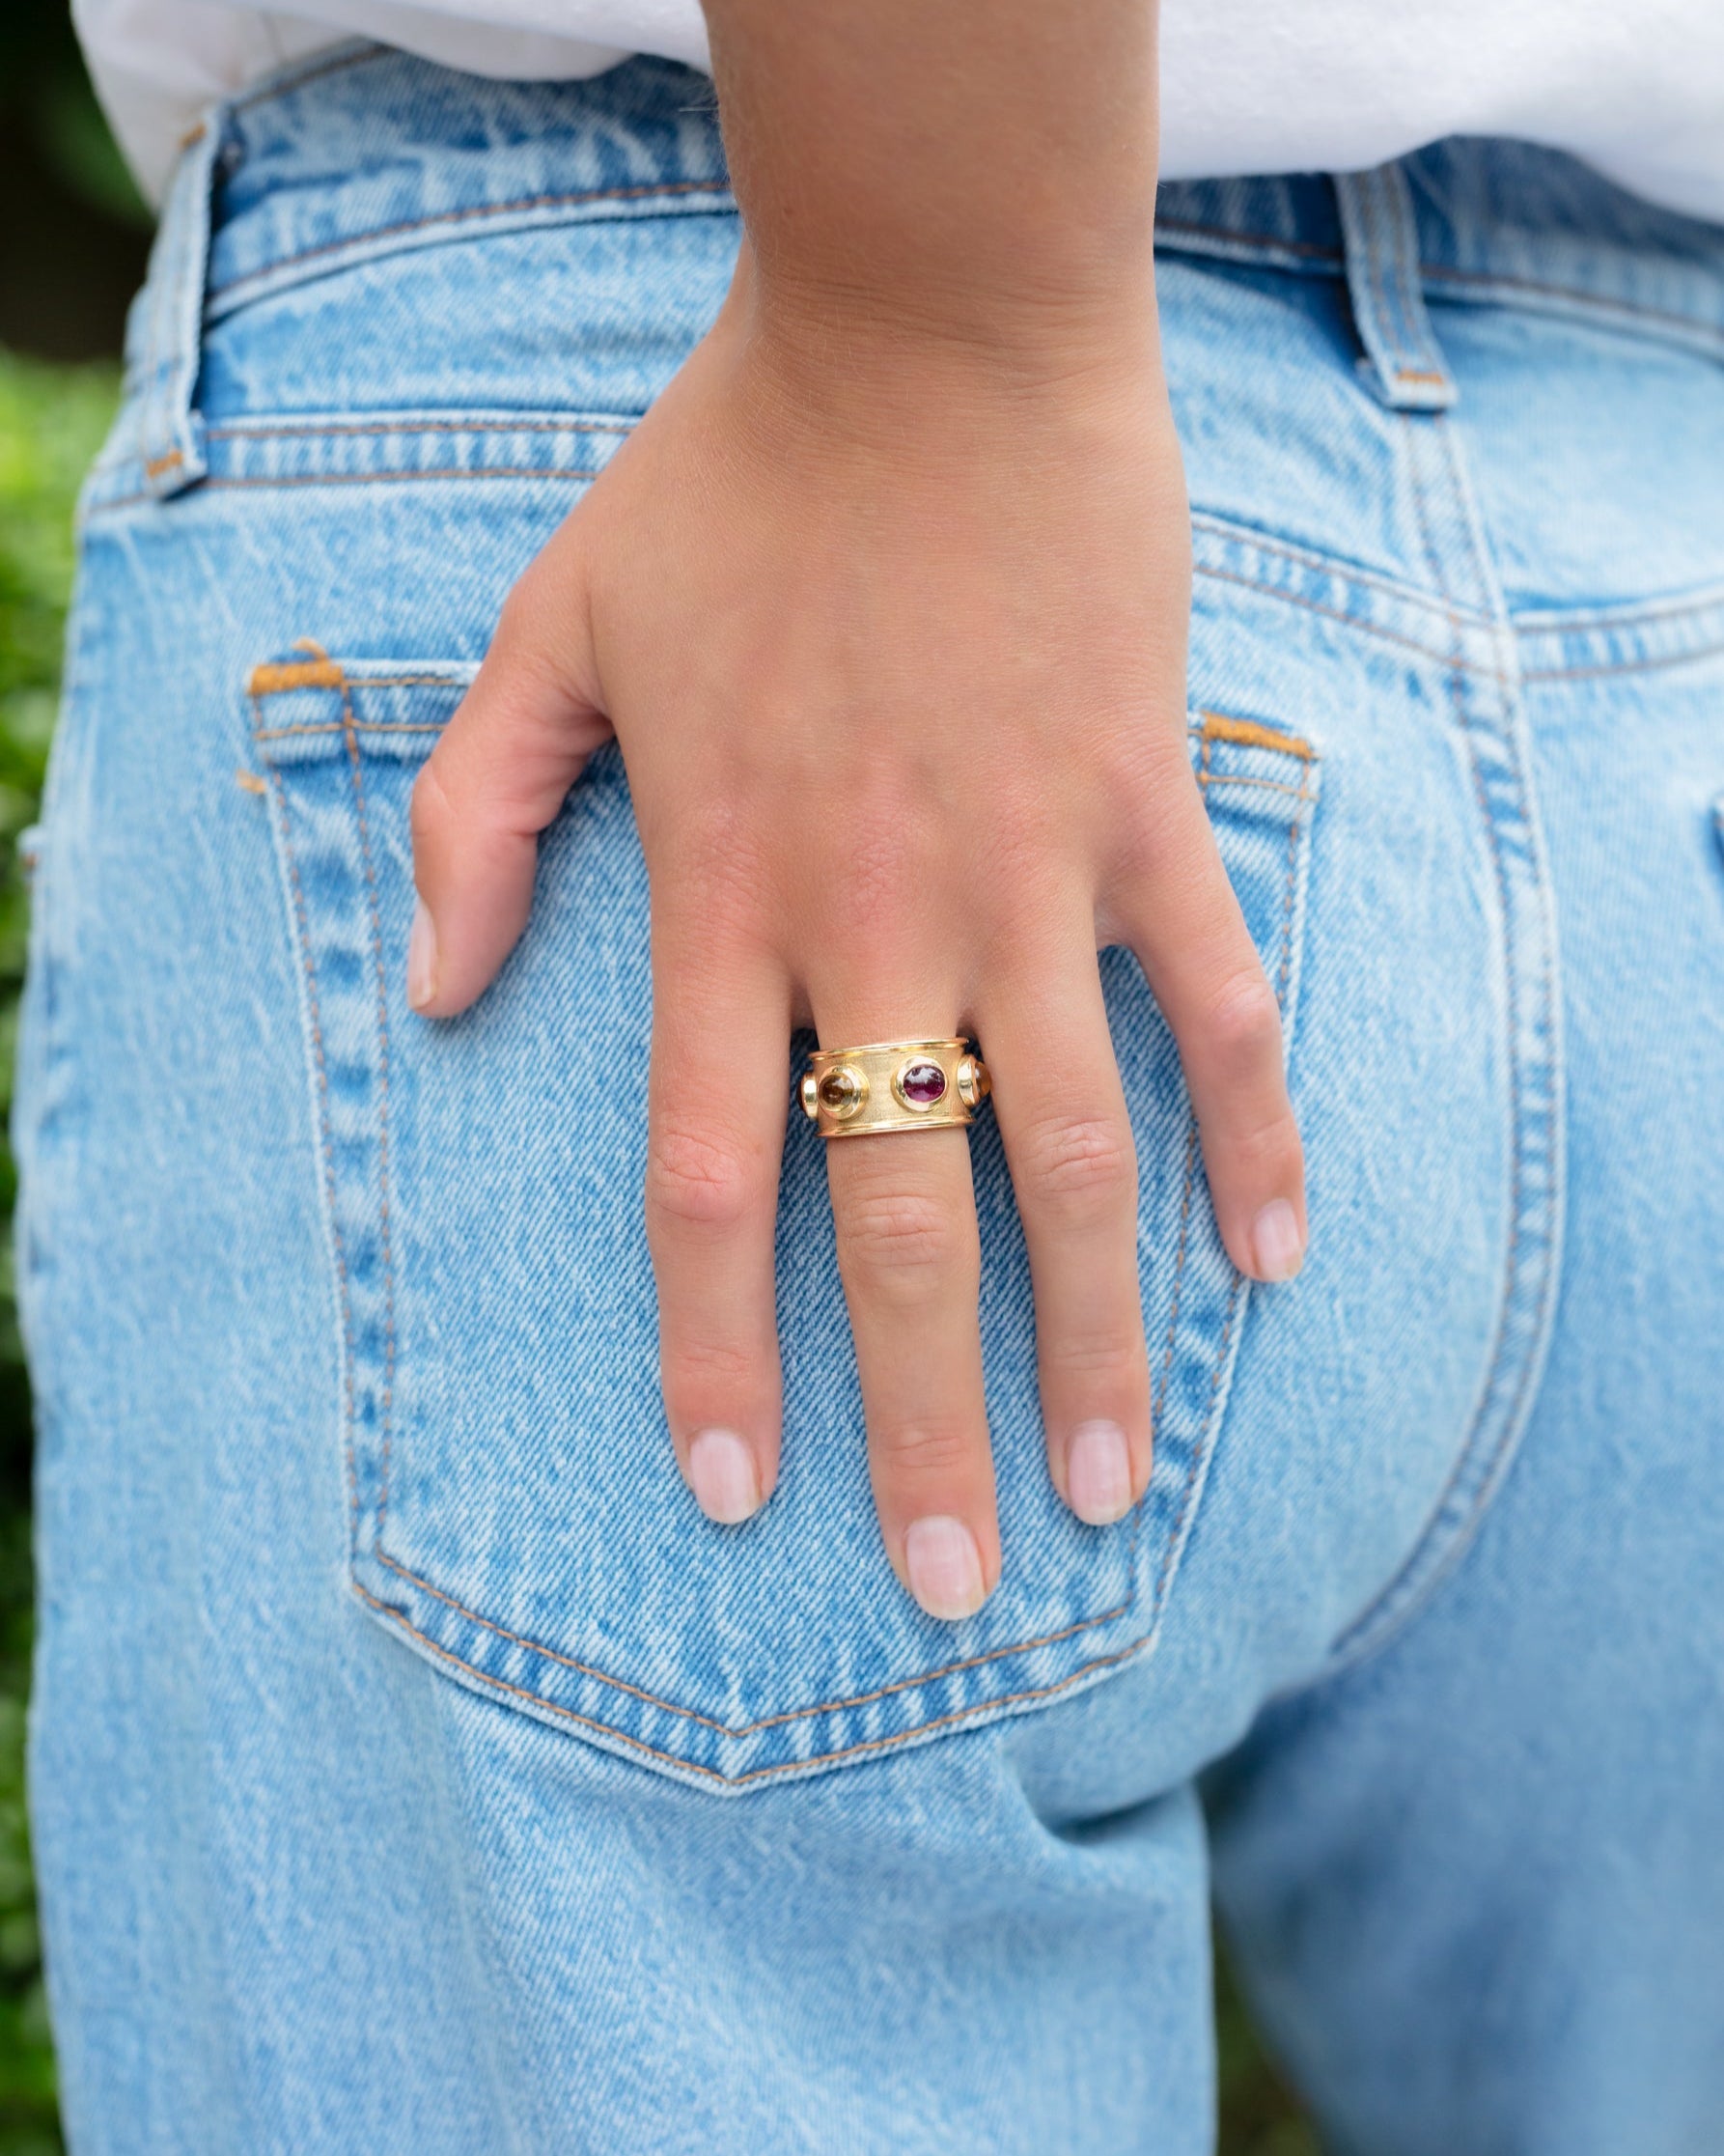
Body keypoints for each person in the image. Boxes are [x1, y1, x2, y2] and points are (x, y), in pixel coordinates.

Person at [22, 0, 1724, 2146]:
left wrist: (928, 334)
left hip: (771, 421)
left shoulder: (917, 344)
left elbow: (944, 296)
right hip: (1652, 556)